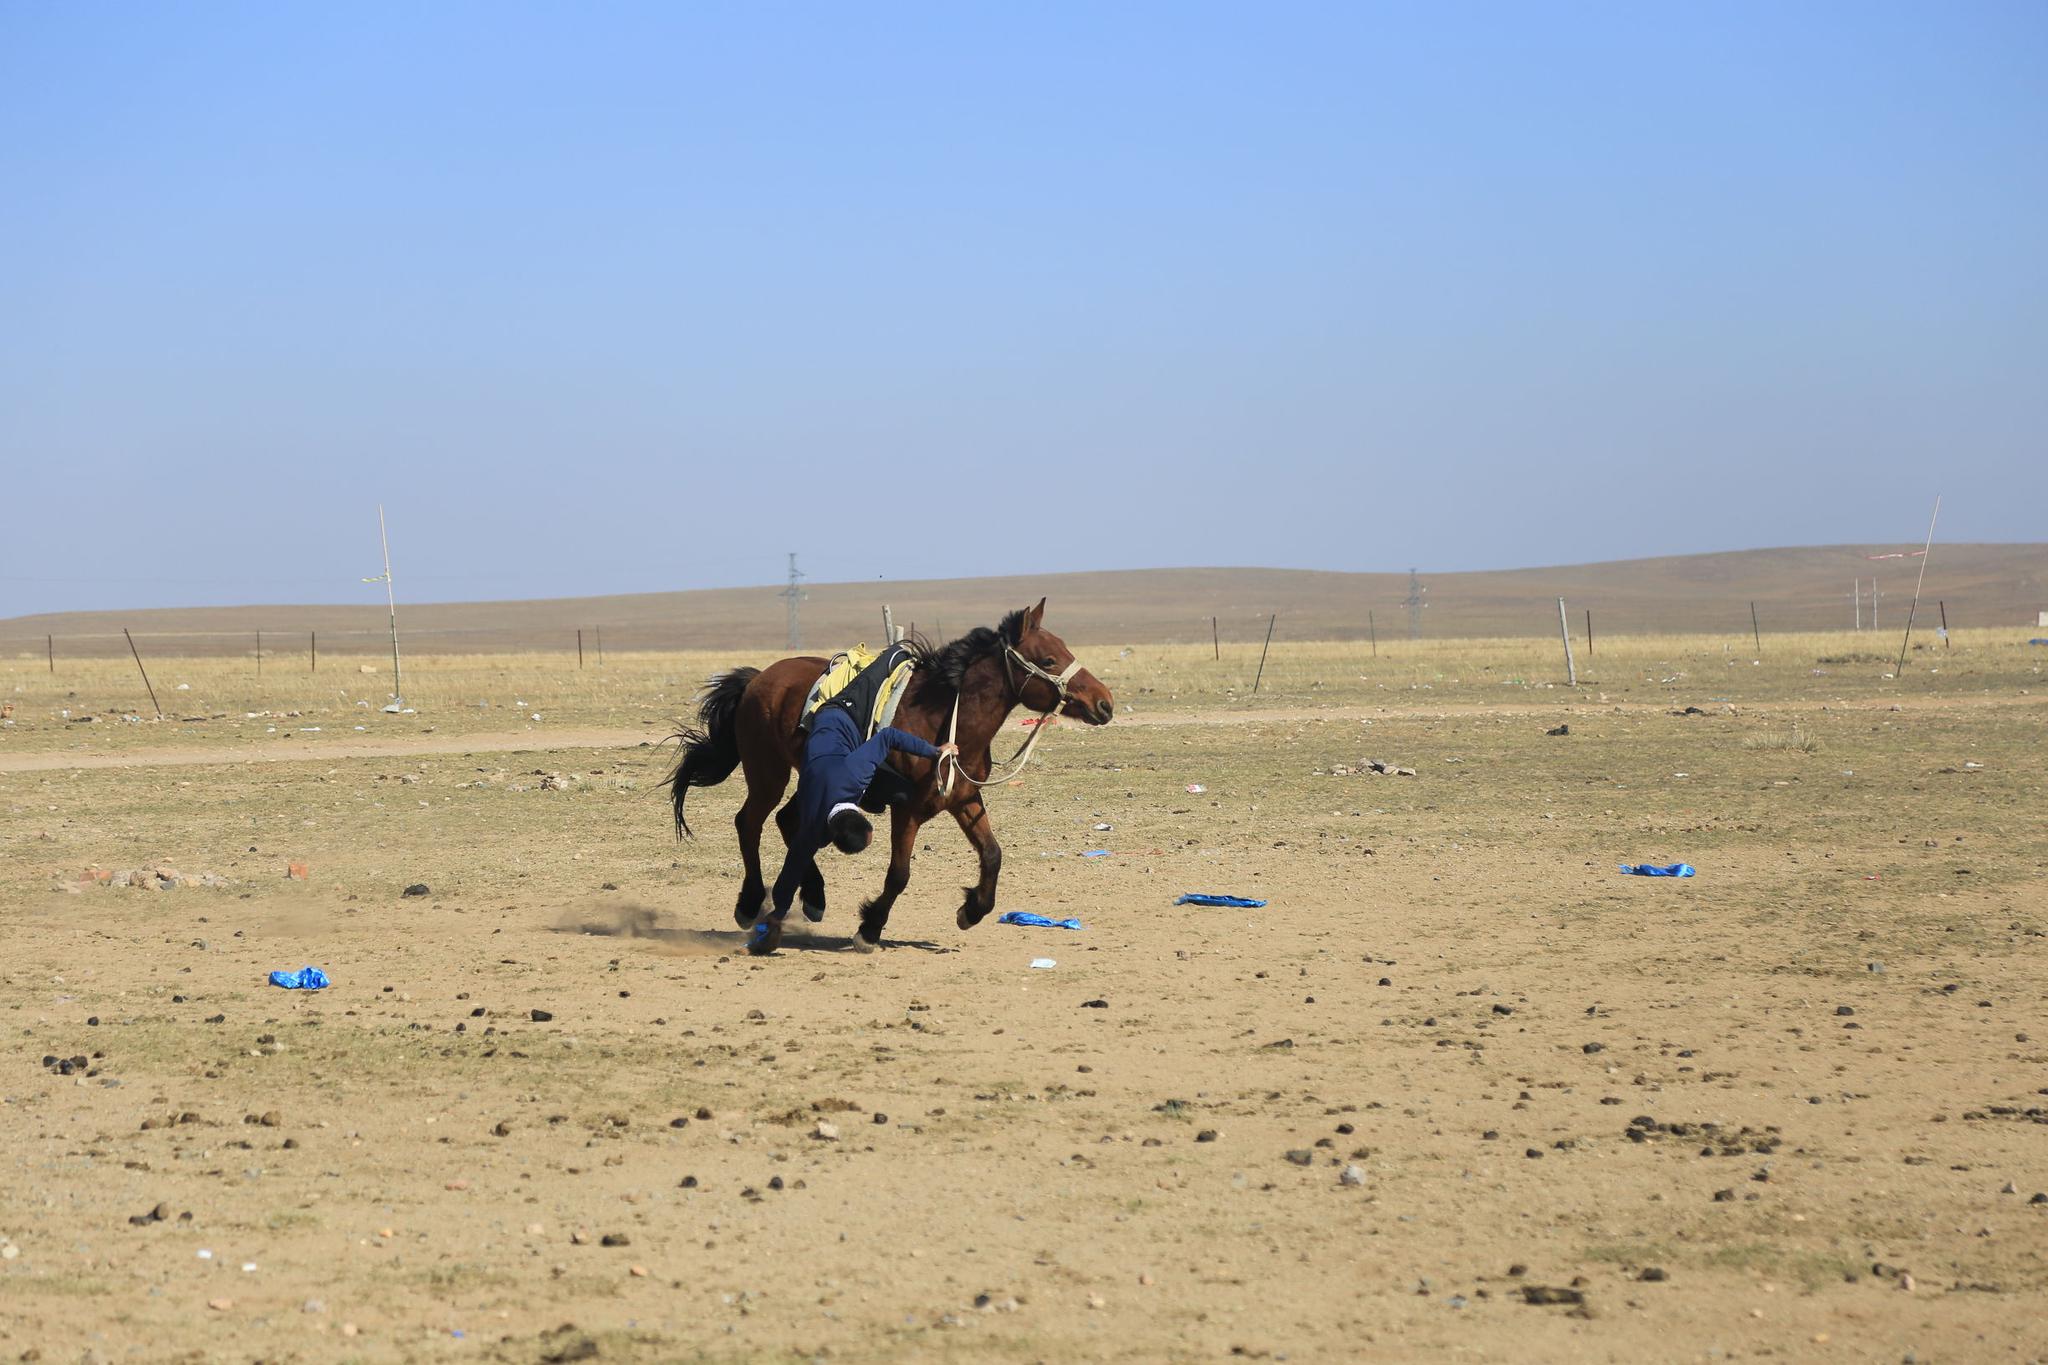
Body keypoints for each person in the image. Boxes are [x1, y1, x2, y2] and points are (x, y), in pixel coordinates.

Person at [754, 701, 955, 954]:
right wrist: (777, 913)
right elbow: (790, 871)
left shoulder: (851, 777)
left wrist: (934, 751)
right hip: (834, 726)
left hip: (838, 723)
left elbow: (888, 735)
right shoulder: (815, 826)